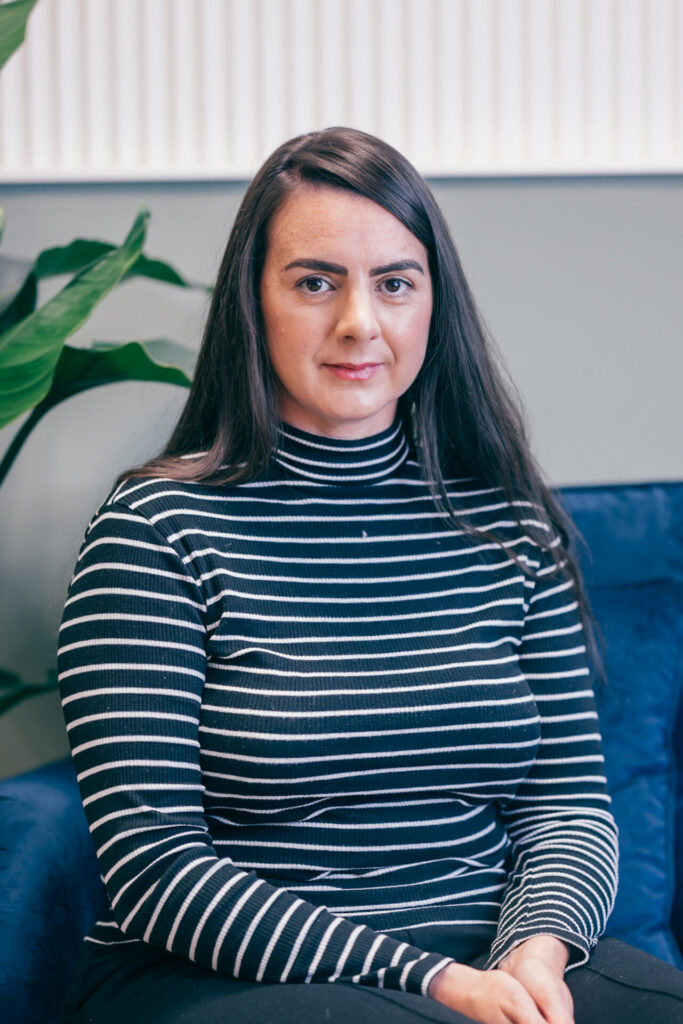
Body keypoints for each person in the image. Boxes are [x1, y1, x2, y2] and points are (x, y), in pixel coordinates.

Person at [57, 127, 683, 1024]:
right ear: (253, 302)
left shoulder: (511, 527)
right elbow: (154, 866)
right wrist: (437, 983)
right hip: (229, 974)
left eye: (394, 283)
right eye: (315, 283)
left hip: (488, 956)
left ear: (433, 304)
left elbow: (568, 805)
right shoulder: (155, 531)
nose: (360, 322)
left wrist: (534, 953)